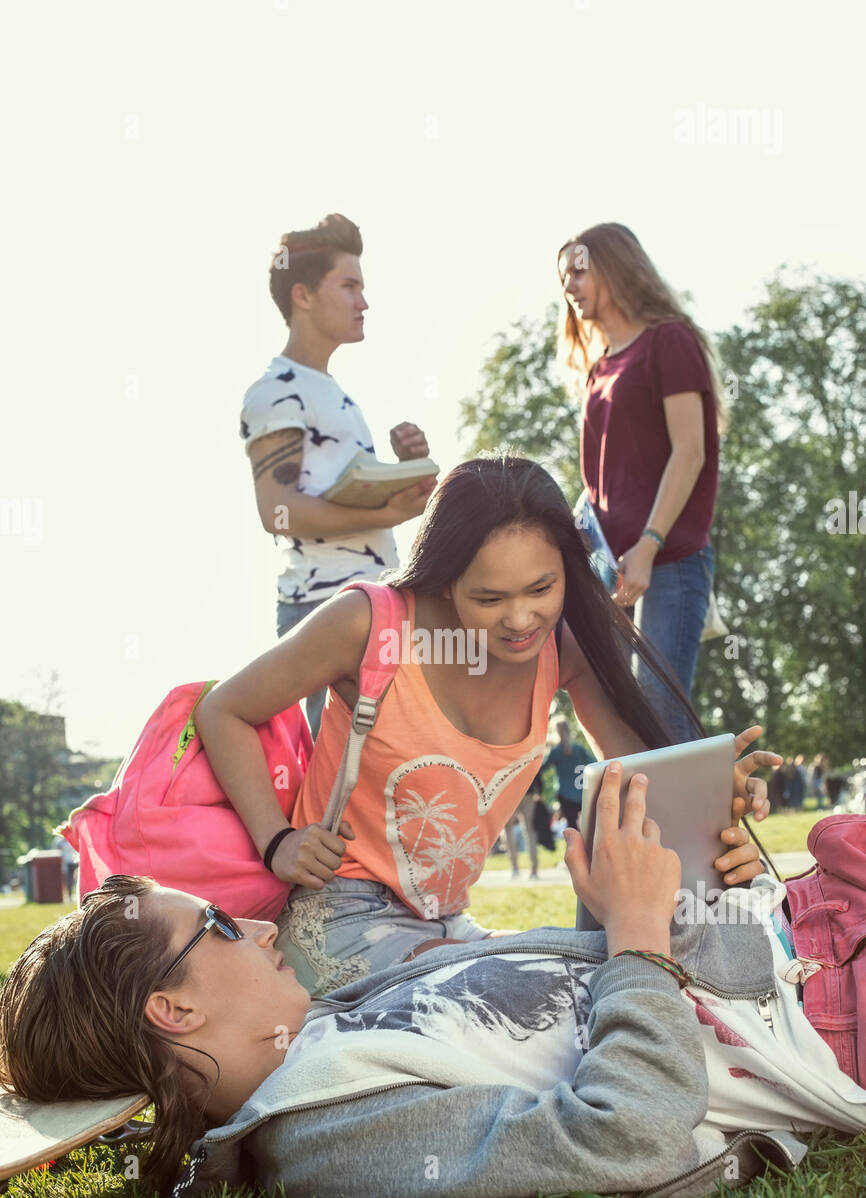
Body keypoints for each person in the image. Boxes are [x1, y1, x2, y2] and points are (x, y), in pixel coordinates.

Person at [2, 767, 864, 1198]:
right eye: (221, 926)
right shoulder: (322, 1132)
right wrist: (637, 941)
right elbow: (620, 1139)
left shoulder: (317, 1034)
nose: (262, 927)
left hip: (787, 922)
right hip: (820, 1013)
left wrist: (653, 905)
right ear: (174, 1011)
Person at [196, 456, 779, 997]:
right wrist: (278, 841)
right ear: (446, 577)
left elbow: (639, 782)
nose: (521, 619)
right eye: (489, 598)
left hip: (447, 926)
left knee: (610, 972)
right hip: (343, 919)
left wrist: (711, 797)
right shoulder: (366, 625)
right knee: (536, 996)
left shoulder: (564, 647)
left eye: (542, 588)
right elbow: (223, 710)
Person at [240, 213, 435, 736]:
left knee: (387, 777)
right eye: (349, 286)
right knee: (335, 788)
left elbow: (357, 501)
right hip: (322, 608)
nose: (363, 302)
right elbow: (276, 511)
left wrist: (408, 474)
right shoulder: (275, 390)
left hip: (376, 600)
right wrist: (388, 509)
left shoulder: (336, 394)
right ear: (302, 295)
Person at [558, 223, 724, 743]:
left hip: (669, 561)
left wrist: (649, 545)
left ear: (614, 266)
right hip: (607, 564)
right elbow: (602, 478)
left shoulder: (669, 341)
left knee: (661, 714)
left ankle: (692, 826)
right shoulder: (600, 367)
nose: (570, 286)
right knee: (611, 710)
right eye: (563, 279)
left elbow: (690, 451)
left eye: (579, 272)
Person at [541, 719, 593, 828]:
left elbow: (542, 769)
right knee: (590, 823)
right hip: (582, 791)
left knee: (572, 825)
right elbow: (593, 764)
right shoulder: (579, 749)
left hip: (565, 794)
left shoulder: (556, 752)